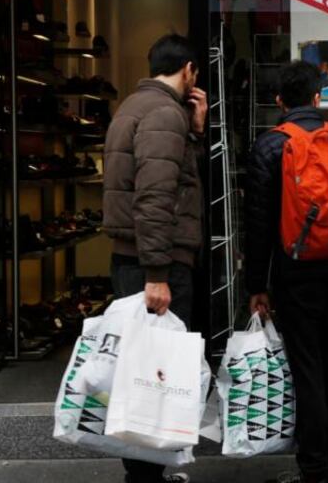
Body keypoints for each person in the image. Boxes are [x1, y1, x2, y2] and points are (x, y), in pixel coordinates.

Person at [245, 61, 328, 483]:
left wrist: (257, 285)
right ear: (318, 98)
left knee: (306, 364)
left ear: (279, 102)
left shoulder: (270, 146)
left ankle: (313, 463)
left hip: (295, 270)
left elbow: (258, 225)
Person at [102, 33, 207, 483]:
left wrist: (197, 131)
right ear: (188, 70)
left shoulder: (133, 106)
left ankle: (148, 472)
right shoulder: (164, 112)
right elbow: (156, 196)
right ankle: (144, 475)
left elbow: (171, 177)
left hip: (136, 258)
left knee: (144, 370)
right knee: (154, 374)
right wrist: (158, 274)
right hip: (153, 265)